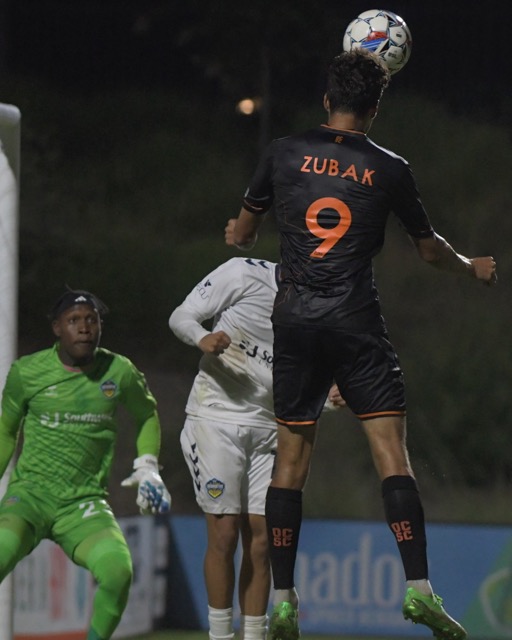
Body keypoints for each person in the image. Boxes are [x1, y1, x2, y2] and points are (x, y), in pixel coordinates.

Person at [228, 49, 497, 640]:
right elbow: (429, 251)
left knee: (290, 468)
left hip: (295, 323)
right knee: (392, 461)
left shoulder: (282, 152)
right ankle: (420, 590)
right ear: (375, 109)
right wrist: (470, 268)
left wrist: (237, 230)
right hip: (356, 323)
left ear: (327, 100)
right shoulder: (391, 167)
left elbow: (243, 232)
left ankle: (282, 600)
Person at [169, 256, 344, 640]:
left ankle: (254, 635)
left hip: (269, 428)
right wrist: (203, 338)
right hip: (216, 419)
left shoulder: (322, 307)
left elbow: (300, 380)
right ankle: (220, 636)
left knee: (263, 539)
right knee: (225, 533)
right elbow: (181, 316)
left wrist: (328, 400)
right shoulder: (244, 274)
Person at [0, 288, 171, 640]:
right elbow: (5, 432)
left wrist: (148, 466)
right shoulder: (26, 372)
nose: (84, 328)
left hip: (83, 504)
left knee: (118, 571)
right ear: (57, 328)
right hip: (30, 498)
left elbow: (146, 415)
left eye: (91, 320)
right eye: (74, 320)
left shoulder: (118, 371)